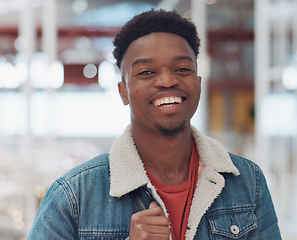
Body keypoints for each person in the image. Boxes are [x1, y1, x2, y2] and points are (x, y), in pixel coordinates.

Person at [28, 9, 281, 240]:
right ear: (123, 92)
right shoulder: (74, 196)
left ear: (199, 83)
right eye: (146, 72)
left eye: (182, 69)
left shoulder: (248, 182)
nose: (167, 80)